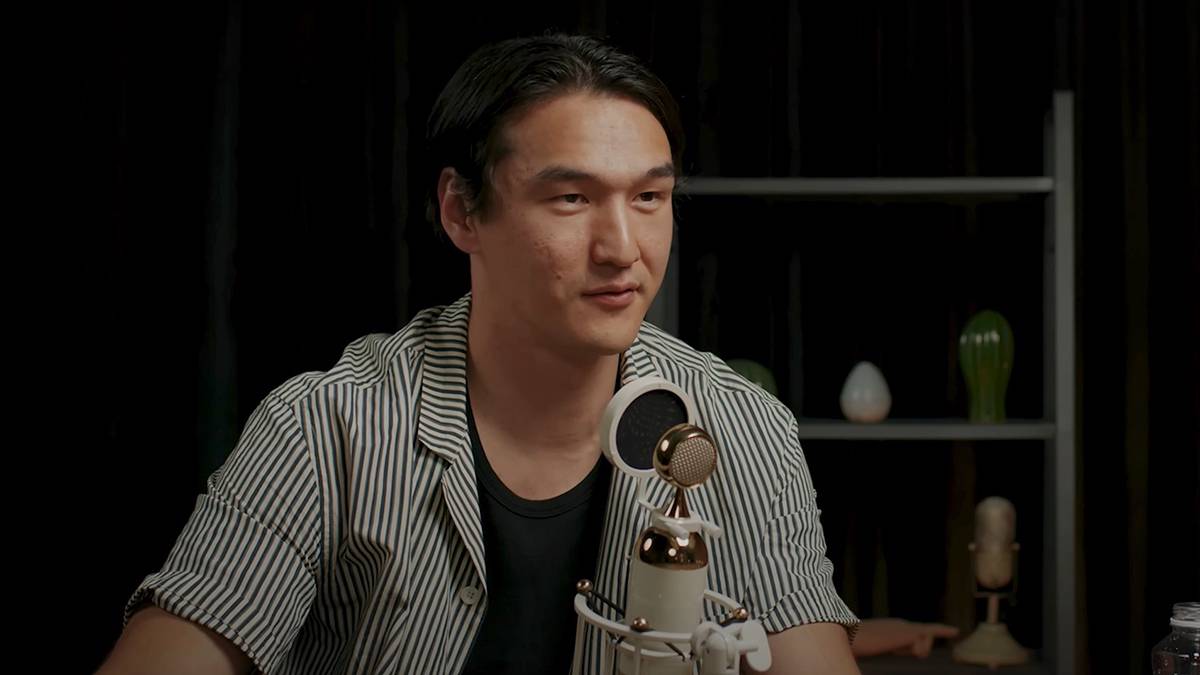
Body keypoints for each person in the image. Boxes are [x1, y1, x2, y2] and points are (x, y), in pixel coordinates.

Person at [98, 34, 863, 674]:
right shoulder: (327, 428)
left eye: (649, 198)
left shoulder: (742, 426)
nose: (622, 248)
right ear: (461, 211)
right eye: (571, 198)